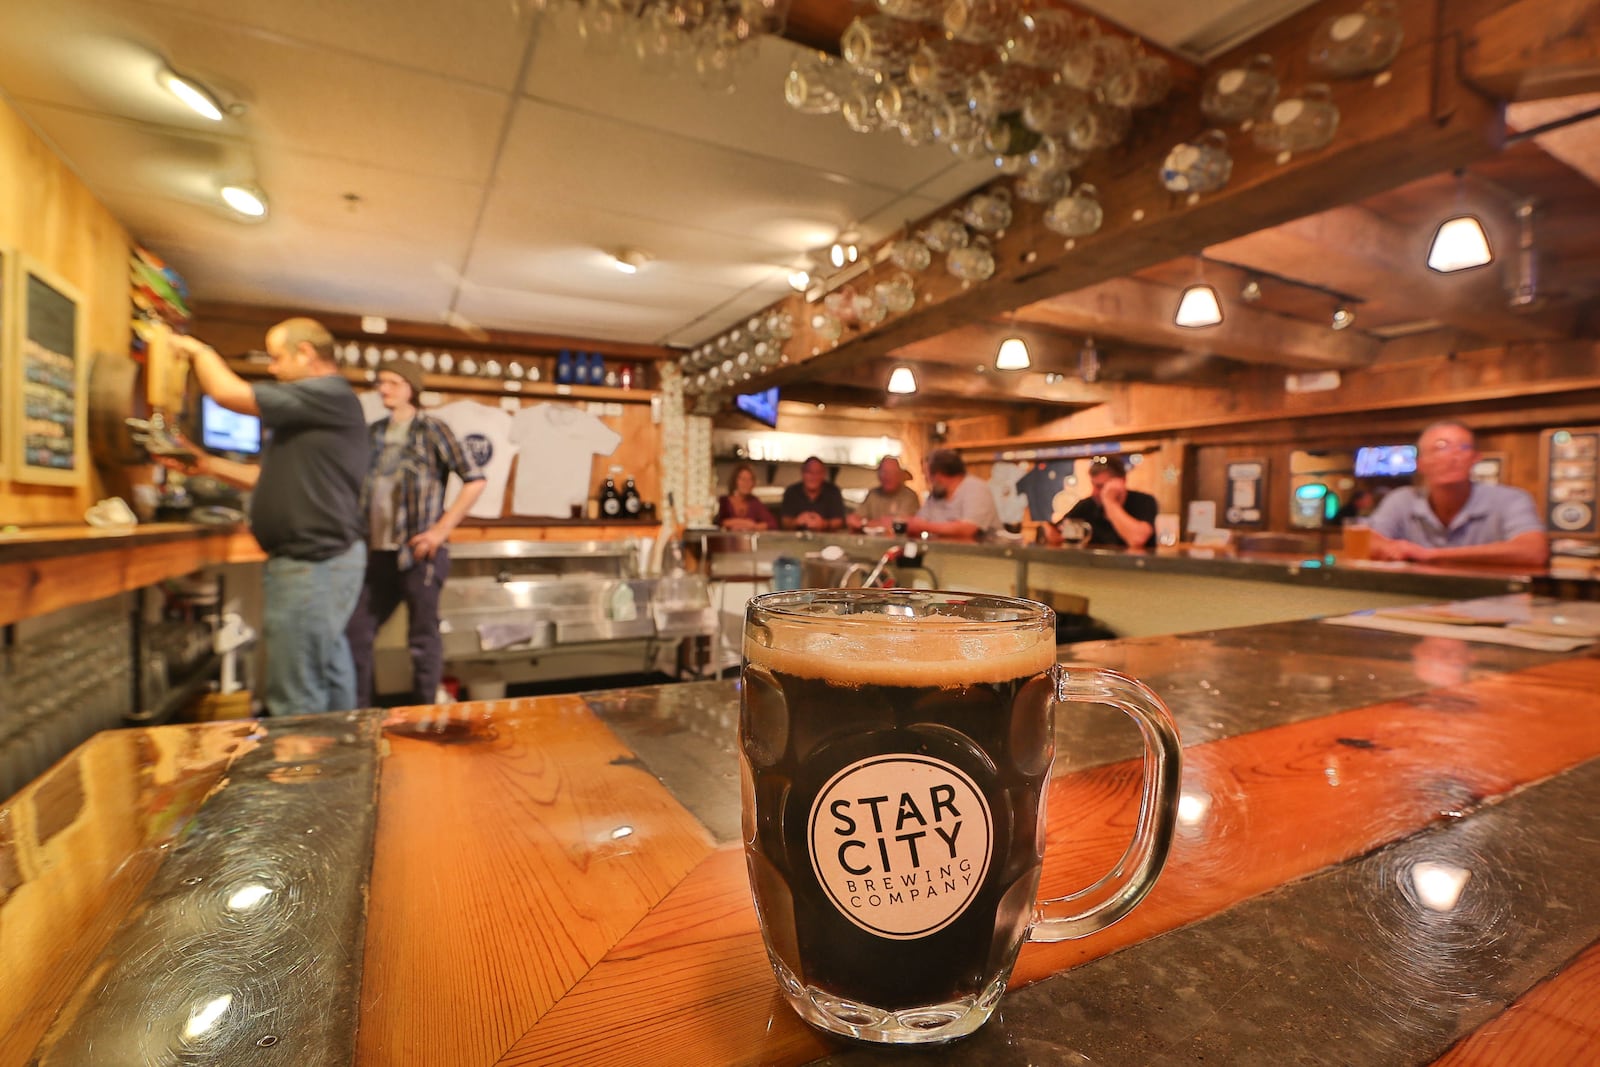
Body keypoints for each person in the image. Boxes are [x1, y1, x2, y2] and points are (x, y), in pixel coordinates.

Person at [166, 319, 368, 717]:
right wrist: (207, 465)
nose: (273, 369)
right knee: (326, 672)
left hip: (313, 562)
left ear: (306, 352)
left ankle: (304, 776)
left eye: (276, 358)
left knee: (296, 695)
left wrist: (197, 351)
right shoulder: (320, 408)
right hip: (323, 562)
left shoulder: (327, 393)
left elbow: (227, 393)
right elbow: (263, 477)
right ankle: (340, 765)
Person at [346, 359, 486, 707]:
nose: (384, 389)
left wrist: (439, 532)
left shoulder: (433, 429)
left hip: (420, 551)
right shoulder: (373, 432)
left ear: (412, 388)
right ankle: (362, 715)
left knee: (422, 639)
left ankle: (423, 714)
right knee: (356, 634)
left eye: (393, 382)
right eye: (381, 382)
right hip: (375, 553)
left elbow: (475, 480)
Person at [1367, 420, 1549, 567]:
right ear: (1420, 463)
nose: (1453, 456)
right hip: (1413, 603)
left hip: (1489, 604)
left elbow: (1533, 551)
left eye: (1463, 448)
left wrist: (1430, 555)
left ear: (1475, 459)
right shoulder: (1402, 499)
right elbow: (1368, 541)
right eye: (1441, 447)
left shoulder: (1510, 499)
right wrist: (1390, 547)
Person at [1044, 455, 1157, 548]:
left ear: (1121, 481)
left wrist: (1109, 501)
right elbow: (1054, 531)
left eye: (1101, 486)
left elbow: (1137, 539)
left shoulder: (1144, 501)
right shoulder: (1087, 505)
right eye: (1093, 485)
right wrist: (1052, 535)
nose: (1094, 492)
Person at [905, 449, 1000, 540]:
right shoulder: (936, 495)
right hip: (945, 552)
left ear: (939, 475)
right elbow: (918, 521)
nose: (926, 480)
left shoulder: (976, 488)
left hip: (982, 554)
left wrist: (924, 526)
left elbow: (968, 529)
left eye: (926, 474)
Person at [847, 456, 920, 532]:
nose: (888, 477)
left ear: (899, 475)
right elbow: (853, 519)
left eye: (892, 473)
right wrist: (863, 523)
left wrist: (865, 524)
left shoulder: (909, 496)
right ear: (879, 475)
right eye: (884, 472)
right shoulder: (873, 494)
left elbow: (898, 524)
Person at [780, 456, 847, 531]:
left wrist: (823, 524)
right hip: (796, 539)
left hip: (826, 540)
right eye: (809, 472)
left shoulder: (833, 492)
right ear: (802, 473)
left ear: (823, 474)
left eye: (818, 472)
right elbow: (784, 522)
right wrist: (797, 521)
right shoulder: (791, 492)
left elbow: (839, 522)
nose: (813, 476)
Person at [717, 463, 777, 531]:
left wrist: (753, 526)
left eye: (750, 479)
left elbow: (772, 524)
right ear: (735, 481)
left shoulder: (754, 502)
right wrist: (746, 523)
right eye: (743, 479)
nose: (746, 483)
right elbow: (719, 523)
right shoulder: (724, 501)